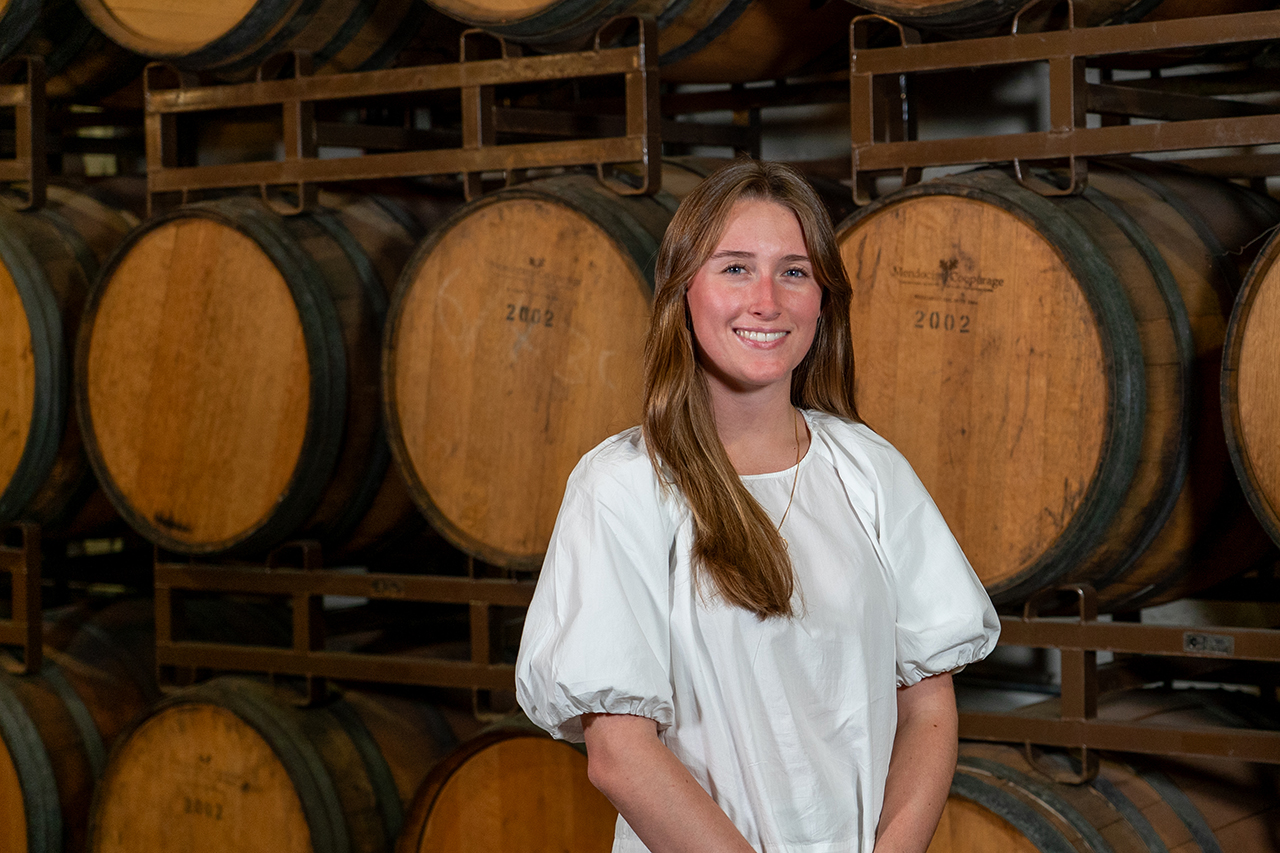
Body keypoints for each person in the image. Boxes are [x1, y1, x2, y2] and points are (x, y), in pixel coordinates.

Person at [515, 158, 1000, 853]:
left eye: (795, 271)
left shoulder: (869, 469)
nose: (767, 300)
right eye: (735, 268)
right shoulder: (624, 486)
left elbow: (927, 704)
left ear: (822, 300)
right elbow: (619, 754)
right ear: (684, 290)